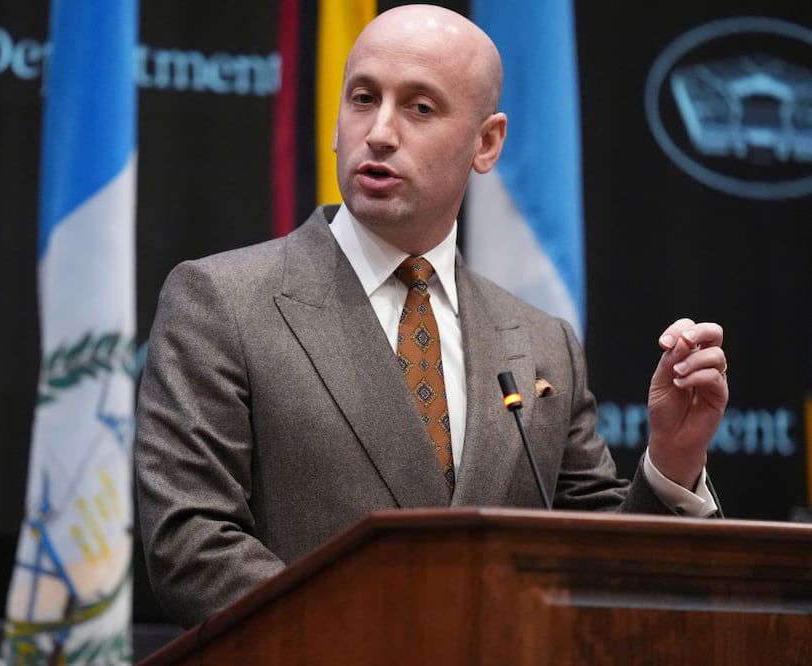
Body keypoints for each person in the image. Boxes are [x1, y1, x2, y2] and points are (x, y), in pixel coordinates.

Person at [134, 4, 728, 629]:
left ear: (487, 142)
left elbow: (601, 572)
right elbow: (192, 544)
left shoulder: (541, 342)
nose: (380, 132)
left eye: (420, 108)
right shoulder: (222, 301)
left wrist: (673, 460)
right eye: (363, 98)